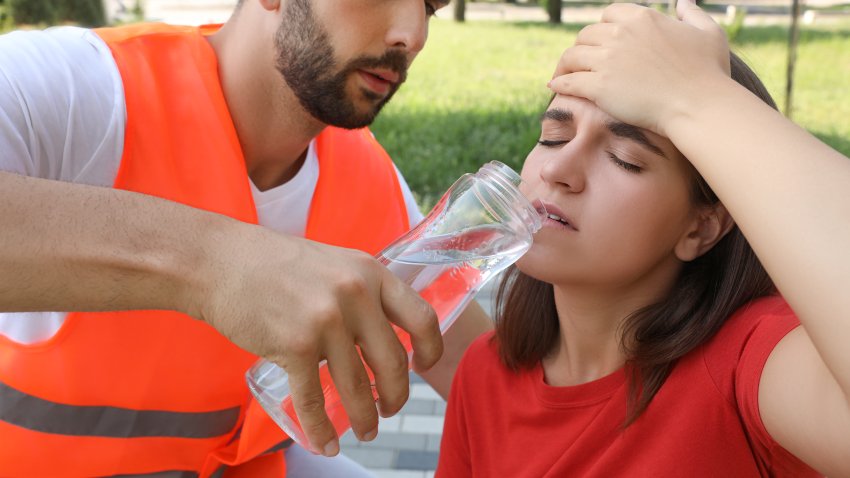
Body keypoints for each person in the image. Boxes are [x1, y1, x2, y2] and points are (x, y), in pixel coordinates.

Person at [0, 0, 493, 476]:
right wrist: (214, 264)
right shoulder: (74, 89)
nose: (413, 35)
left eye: (430, 6)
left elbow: (491, 380)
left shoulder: (371, 188)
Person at [437, 0, 850, 476]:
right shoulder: (483, 374)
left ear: (701, 227)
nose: (558, 169)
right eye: (553, 136)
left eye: (624, 158)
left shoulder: (748, 367)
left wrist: (700, 99)